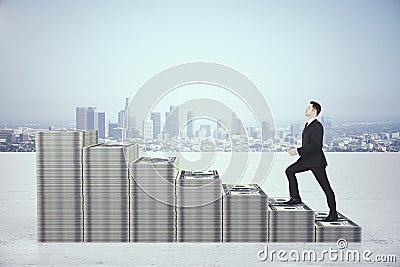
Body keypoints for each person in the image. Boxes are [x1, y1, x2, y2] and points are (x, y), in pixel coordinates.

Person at [284, 100, 338, 222]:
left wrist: (297, 151)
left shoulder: (317, 126)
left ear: (314, 111)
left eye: (308, 108)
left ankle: (333, 214)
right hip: (306, 160)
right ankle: (295, 198)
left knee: (326, 187)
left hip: (316, 162)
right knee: (290, 171)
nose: (306, 109)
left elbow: (316, 145)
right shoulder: (308, 124)